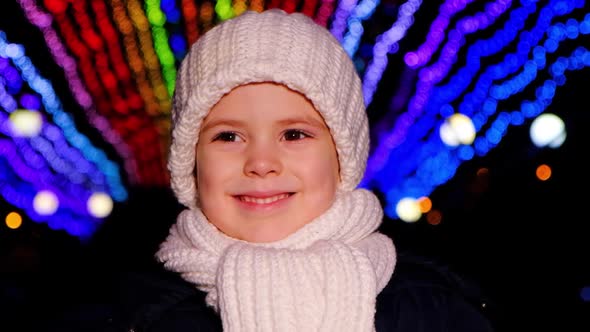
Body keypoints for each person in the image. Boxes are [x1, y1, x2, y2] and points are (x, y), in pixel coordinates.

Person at [35, 8, 496, 332]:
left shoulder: (431, 307)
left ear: (343, 157)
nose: (259, 163)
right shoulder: (127, 314)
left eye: (294, 134)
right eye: (227, 136)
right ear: (190, 164)